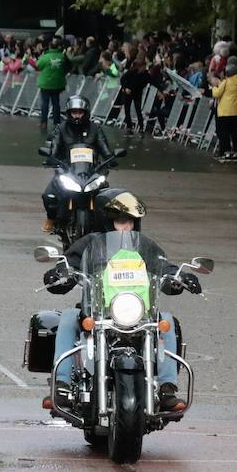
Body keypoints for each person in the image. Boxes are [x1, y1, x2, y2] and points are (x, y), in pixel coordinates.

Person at [41, 191, 199, 412]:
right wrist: (60, 272)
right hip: (98, 312)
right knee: (67, 318)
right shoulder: (90, 244)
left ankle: (167, 389)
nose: (126, 227)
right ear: (107, 221)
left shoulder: (145, 247)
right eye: (120, 221)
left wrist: (180, 277)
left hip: (138, 314)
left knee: (167, 321)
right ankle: (62, 385)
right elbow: (70, 263)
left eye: (130, 221)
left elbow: (163, 267)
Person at [42, 95, 115, 232]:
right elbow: (55, 147)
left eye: (80, 112)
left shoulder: (95, 129)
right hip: (67, 170)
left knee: (108, 197)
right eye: (74, 112)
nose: (77, 116)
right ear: (69, 113)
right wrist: (50, 158)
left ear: (86, 113)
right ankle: (51, 218)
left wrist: (111, 159)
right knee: (49, 196)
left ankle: (108, 226)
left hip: (92, 172)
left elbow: (105, 149)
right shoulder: (61, 129)